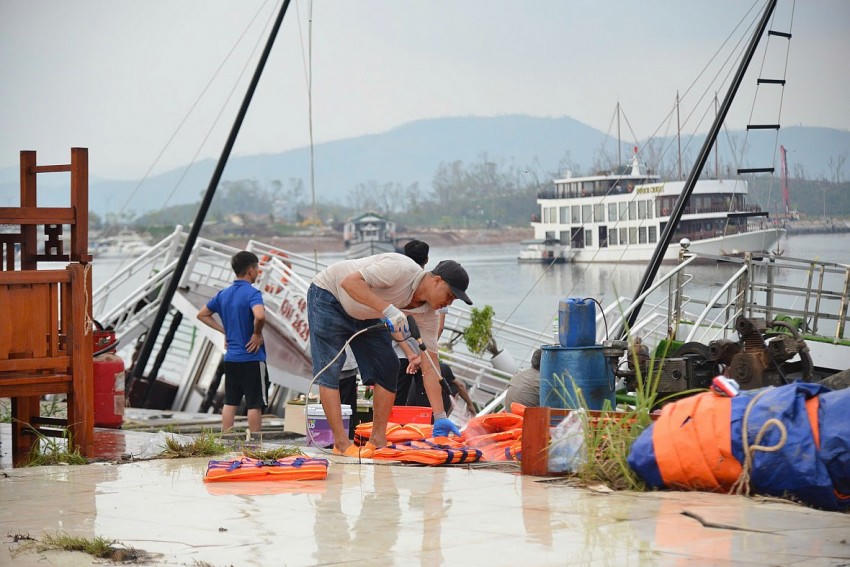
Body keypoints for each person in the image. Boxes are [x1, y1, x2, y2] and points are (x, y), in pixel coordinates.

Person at [307, 252, 472, 456]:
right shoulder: (400, 269)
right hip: (330, 296)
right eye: (450, 295)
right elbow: (349, 283)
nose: (449, 303)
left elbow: (430, 365)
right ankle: (341, 443)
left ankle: (377, 440)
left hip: (369, 311)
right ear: (436, 280)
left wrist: (439, 416)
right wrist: (389, 310)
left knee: (388, 366)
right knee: (331, 368)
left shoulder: (429, 315)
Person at [197, 251, 268, 433]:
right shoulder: (252, 293)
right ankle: (256, 443)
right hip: (252, 358)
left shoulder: (223, 294)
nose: (258, 272)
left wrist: (225, 331)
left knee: (230, 401)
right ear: (250, 270)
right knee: (254, 403)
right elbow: (259, 315)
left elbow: (202, 314)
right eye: (257, 268)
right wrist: (256, 333)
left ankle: (226, 438)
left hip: (231, 358)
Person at [395, 239, 430, 404]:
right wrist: (422, 352)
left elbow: (392, 322)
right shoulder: (433, 286)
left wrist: (409, 353)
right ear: (427, 259)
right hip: (425, 354)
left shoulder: (397, 284)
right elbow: (438, 328)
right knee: (423, 400)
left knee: (397, 402)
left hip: (399, 353)